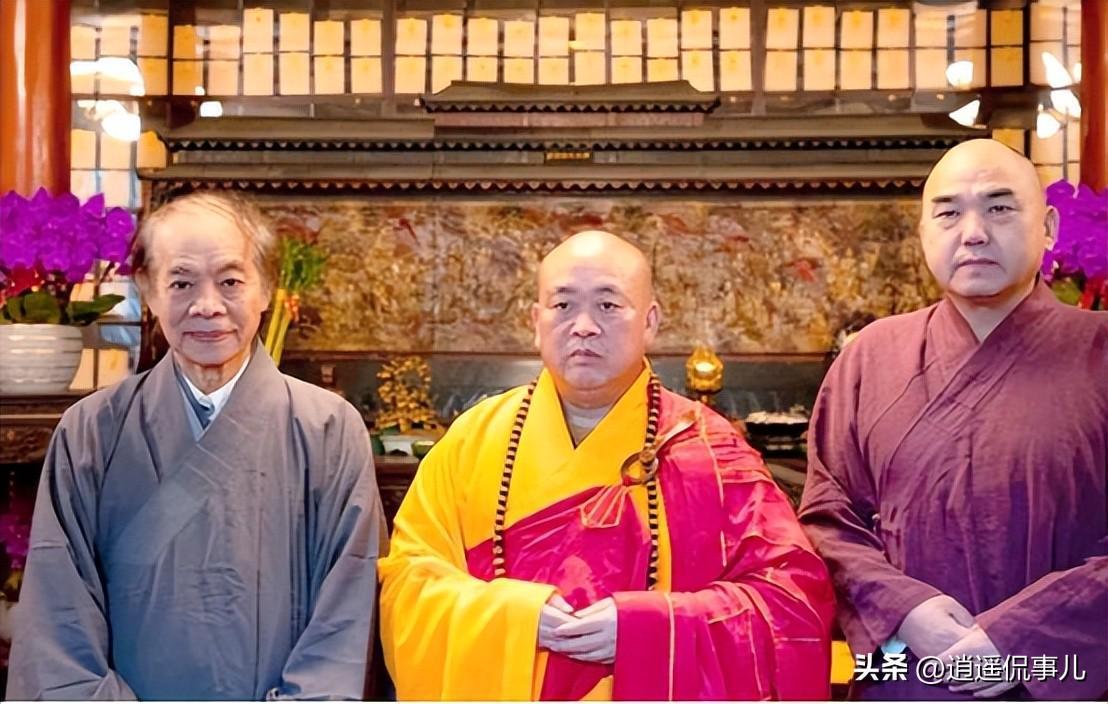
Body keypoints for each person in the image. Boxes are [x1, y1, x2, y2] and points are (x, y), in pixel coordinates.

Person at [379, 230, 835, 700]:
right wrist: (514, 618)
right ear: (536, 321)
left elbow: (791, 601)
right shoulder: (472, 442)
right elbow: (409, 582)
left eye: (608, 305)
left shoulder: (711, 453)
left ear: (650, 321)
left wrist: (651, 628)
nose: (583, 326)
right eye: (562, 305)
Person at [7, 191, 384, 700]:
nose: (208, 305)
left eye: (230, 282)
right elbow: (59, 627)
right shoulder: (92, 432)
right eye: (181, 282)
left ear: (266, 288)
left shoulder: (328, 430)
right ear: (148, 290)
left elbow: (345, 622)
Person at [799, 139, 1107, 700]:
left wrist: (1020, 637)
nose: (973, 233)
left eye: (999, 208)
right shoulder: (870, 357)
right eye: (948, 213)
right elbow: (826, 520)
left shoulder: (1100, 352)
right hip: (909, 672)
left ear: (1049, 227)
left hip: (1059, 674)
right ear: (922, 232)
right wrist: (905, 609)